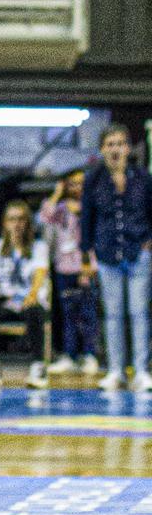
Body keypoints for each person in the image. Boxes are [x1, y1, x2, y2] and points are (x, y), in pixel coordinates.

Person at [81, 124, 152, 392]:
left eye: (120, 143)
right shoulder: (93, 179)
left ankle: (142, 371)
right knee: (113, 314)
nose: (115, 149)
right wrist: (85, 254)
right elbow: (87, 217)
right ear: (102, 149)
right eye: (110, 144)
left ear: (128, 148)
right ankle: (115, 371)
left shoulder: (143, 177)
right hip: (107, 252)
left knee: (139, 312)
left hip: (138, 251)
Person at [0, 201, 49, 388]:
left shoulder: (38, 247)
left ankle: (37, 366)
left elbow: (39, 275)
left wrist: (32, 294)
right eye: (12, 219)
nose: (16, 224)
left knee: (34, 311)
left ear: (27, 222)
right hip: (4, 300)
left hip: (28, 299)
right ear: (4, 223)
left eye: (21, 219)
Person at [39, 170, 100, 375]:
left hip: (86, 266)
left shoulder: (93, 205)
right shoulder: (60, 209)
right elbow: (44, 218)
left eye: (81, 183)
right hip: (64, 266)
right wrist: (57, 194)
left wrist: (92, 264)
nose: (78, 187)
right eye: (72, 184)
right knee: (68, 313)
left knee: (88, 313)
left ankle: (90, 354)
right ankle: (69, 355)